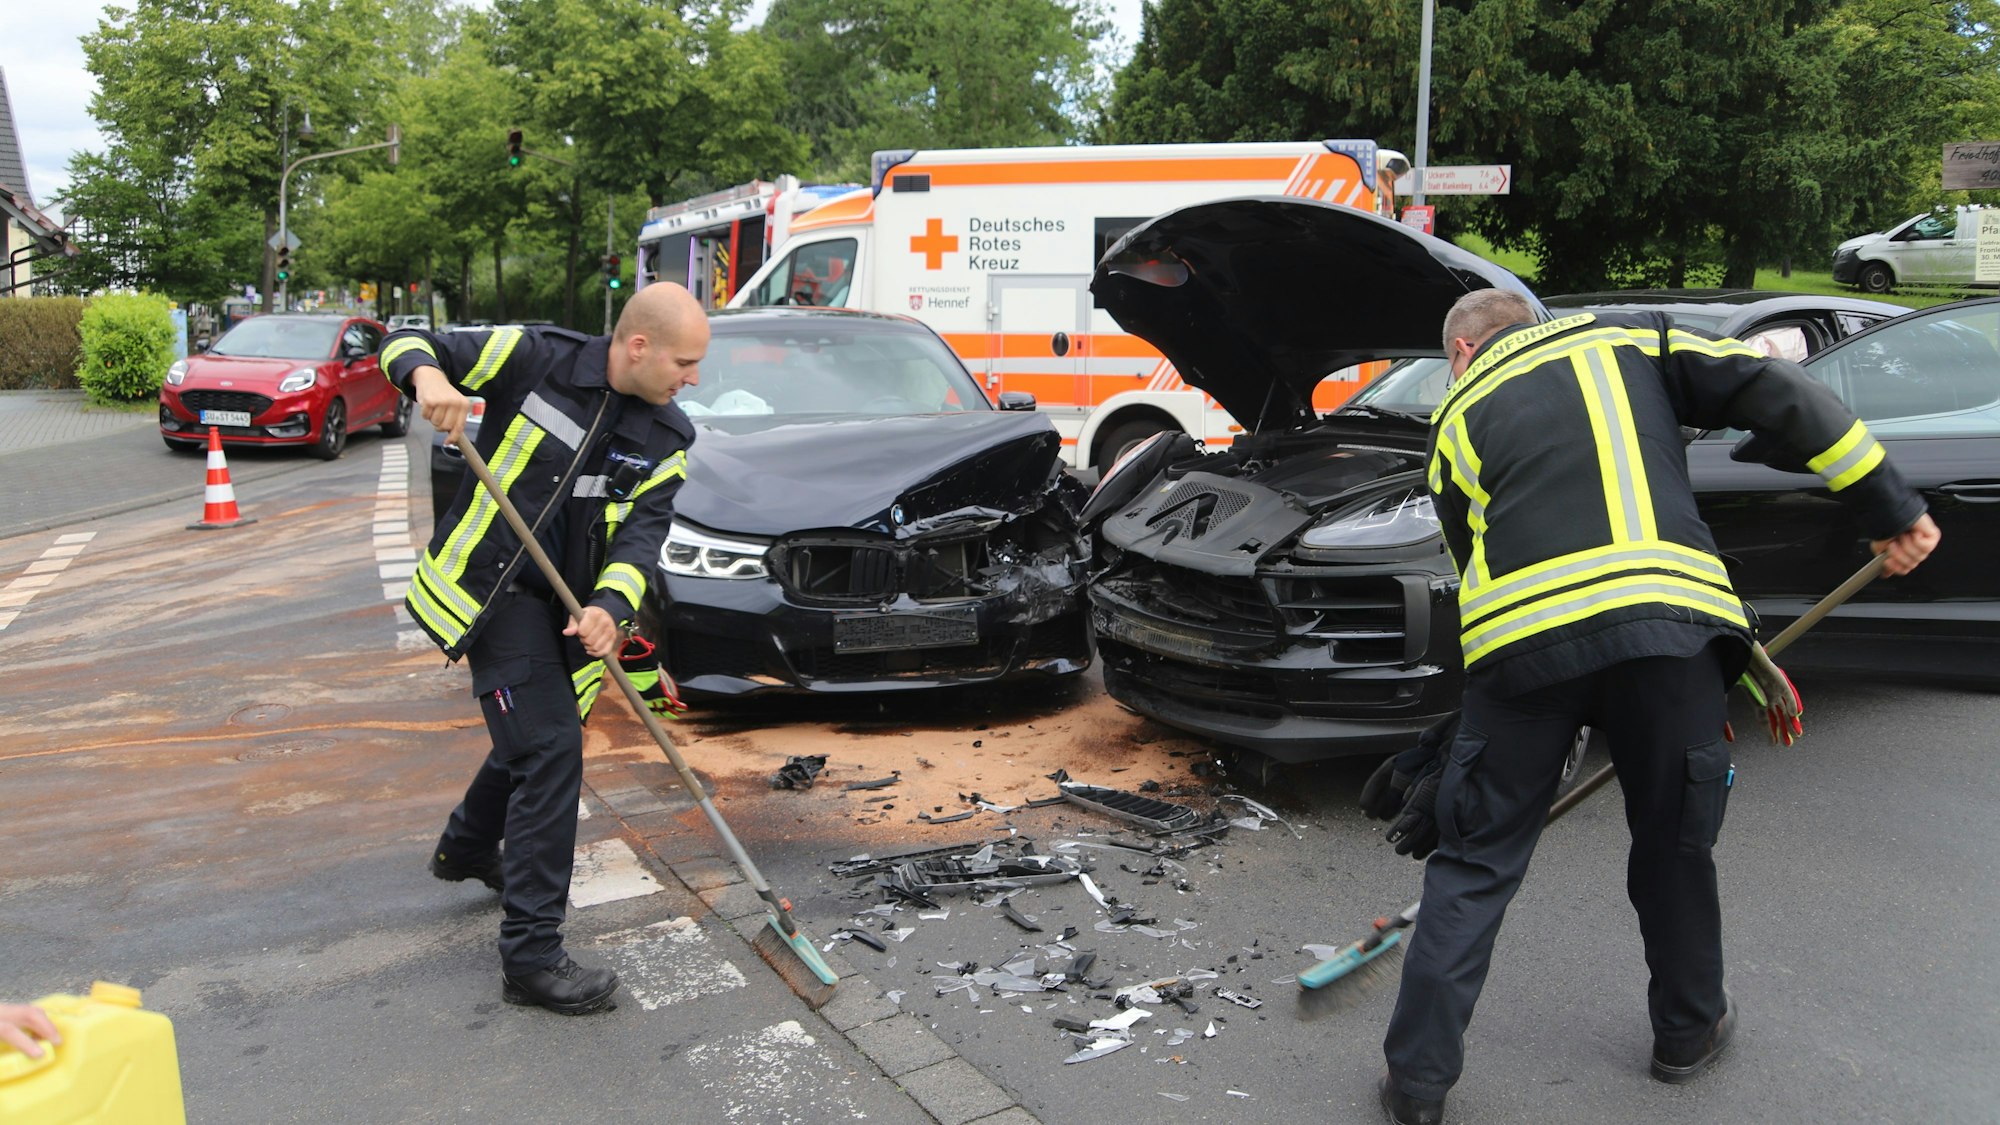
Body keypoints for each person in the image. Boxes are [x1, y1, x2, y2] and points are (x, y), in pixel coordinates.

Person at [1373, 288, 1940, 1125]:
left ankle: (1416, 1087)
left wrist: (1489, 736)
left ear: (1461, 353)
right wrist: (1890, 505)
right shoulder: (1629, 339)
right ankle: (1687, 1031)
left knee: (1476, 864)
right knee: (1675, 845)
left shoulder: (1454, 418)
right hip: (1669, 637)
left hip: (1525, 652)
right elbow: (1772, 386)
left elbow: (1473, 560)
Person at [379, 283, 707, 1015]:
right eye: (685, 362)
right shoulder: (536, 357)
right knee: (551, 745)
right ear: (638, 345)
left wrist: (610, 607)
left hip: (568, 610)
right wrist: (428, 380)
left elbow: (641, 538)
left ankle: (467, 848)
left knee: (533, 731)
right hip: (490, 594)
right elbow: (405, 342)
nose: (692, 378)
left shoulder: (669, 438)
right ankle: (530, 957)